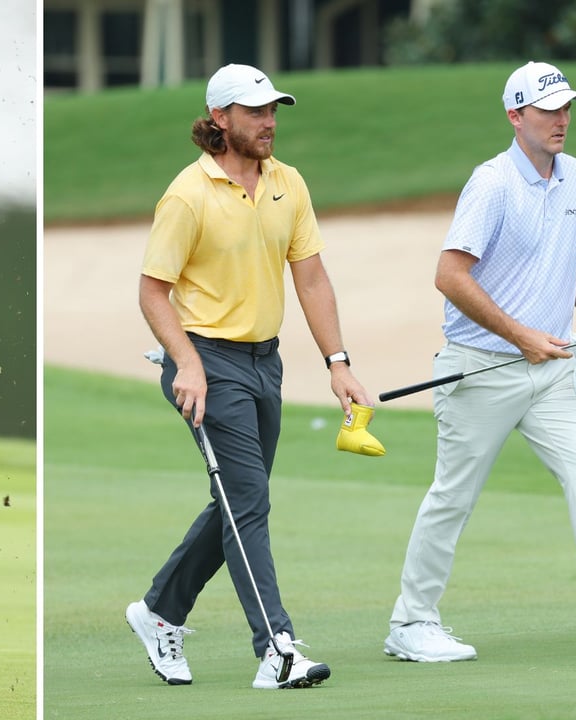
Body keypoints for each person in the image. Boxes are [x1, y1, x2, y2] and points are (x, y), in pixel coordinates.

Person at [383, 61, 576, 664]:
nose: (562, 120)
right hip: (480, 365)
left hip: (551, 369)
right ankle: (411, 623)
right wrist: (521, 335)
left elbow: (574, 253)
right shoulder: (491, 184)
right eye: (548, 110)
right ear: (516, 117)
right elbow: (449, 275)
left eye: (568, 108)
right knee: (454, 497)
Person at [125, 63, 375, 690]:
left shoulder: (288, 183)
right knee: (248, 504)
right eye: (255, 111)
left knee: (240, 503)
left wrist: (337, 362)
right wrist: (186, 363)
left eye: (273, 111)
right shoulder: (188, 194)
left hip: (267, 363)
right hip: (207, 364)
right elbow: (153, 292)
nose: (268, 122)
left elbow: (311, 277)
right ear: (219, 119)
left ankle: (159, 612)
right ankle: (277, 649)